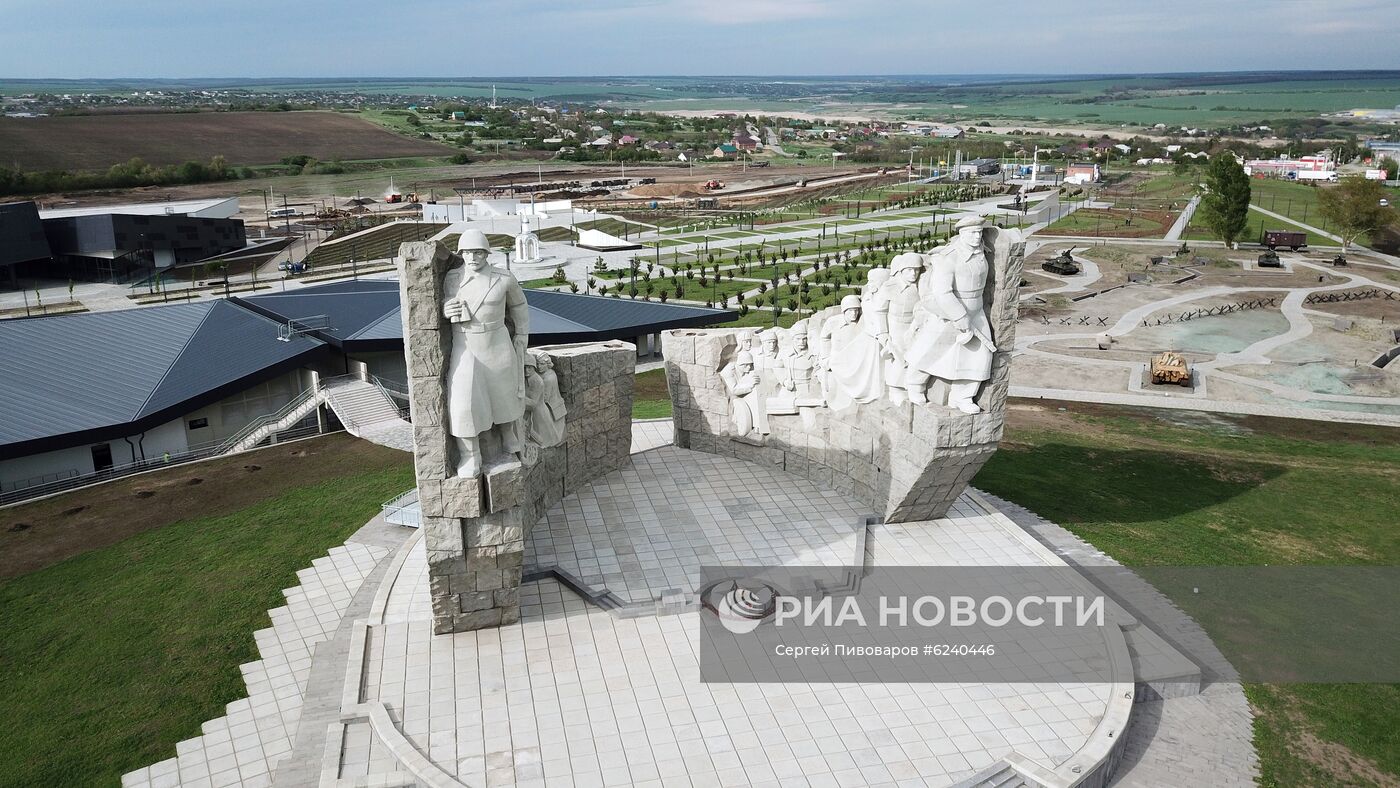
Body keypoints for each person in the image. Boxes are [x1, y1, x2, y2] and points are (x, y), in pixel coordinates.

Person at [443, 228, 530, 477]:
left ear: (486, 254)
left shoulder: (504, 278)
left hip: (497, 342)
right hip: (466, 345)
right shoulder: (453, 278)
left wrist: (522, 336)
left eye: (478, 252)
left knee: (504, 395)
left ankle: (507, 434)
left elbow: (519, 306)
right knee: (462, 403)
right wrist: (445, 308)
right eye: (468, 252)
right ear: (462, 253)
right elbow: (443, 304)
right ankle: (470, 455)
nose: (473, 258)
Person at [904, 216, 995, 414]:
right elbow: (942, 292)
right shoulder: (949, 258)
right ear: (961, 235)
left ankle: (962, 396)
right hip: (950, 312)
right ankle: (914, 386)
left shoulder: (982, 253)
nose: (977, 236)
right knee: (930, 350)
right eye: (972, 233)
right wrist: (959, 317)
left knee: (978, 357)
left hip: (976, 311)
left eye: (979, 232)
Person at [819, 294, 885, 410]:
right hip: (836, 360)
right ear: (844, 311)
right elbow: (824, 338)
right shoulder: (833, 322)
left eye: (856, 310)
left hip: (852, 361)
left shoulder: (861, 323)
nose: (854, 314)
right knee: (836, 392)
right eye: (850, 311)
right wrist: (825, 357)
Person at [720, 351, 769, 439]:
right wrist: (750, 384)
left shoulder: (748, 368)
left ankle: (759, 425)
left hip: (744, 392)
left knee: (758, 394)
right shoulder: (729, 371)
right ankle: (741, 424)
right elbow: (734, 390)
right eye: (747, 365)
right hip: (733, 396)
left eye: (751, 364)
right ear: (741, 365)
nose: (749, 367)